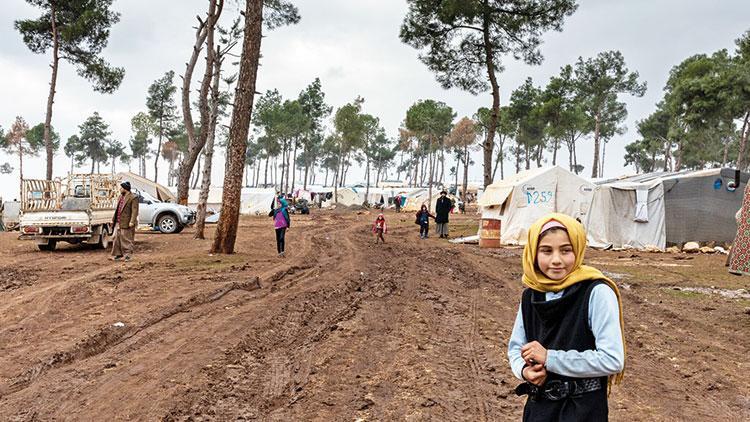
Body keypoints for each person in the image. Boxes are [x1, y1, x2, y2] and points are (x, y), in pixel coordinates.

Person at [507, 213, 625, 421]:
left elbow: (612, 360)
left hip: (583, 410)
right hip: (539, 408)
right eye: (546, 251)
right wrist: (524, 371)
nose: (556, 260)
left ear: (578, 250)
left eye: (566, 250)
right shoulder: (531, 296)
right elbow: (516, 348)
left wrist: (551, 358)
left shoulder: (596, 292)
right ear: (533, 253)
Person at [111, 181, 139, 261]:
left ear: (125, 189)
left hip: (127, 222)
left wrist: (132, 221)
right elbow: (118, 210)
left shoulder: (133, 197)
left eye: (121, 188)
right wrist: (113, 219)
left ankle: (127, 255)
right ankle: (118, 254)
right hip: (118, 221)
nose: (120, 189)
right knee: (116, 238)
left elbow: (135, 210)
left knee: (126, 239)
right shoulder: (120, 197)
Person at [271, 192, 291, 257]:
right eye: (278, 203)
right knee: (278, 239)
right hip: (277, 227)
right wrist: (274, 200)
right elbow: (269, 214)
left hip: (283, 226)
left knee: (281, 238)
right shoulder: (276, 210)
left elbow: (288, 218)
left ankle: (282, 252)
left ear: (282, 204)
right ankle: (279, 253)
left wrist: (288, 226)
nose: (278, 204)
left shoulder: (284, 210)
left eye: (279, 203)